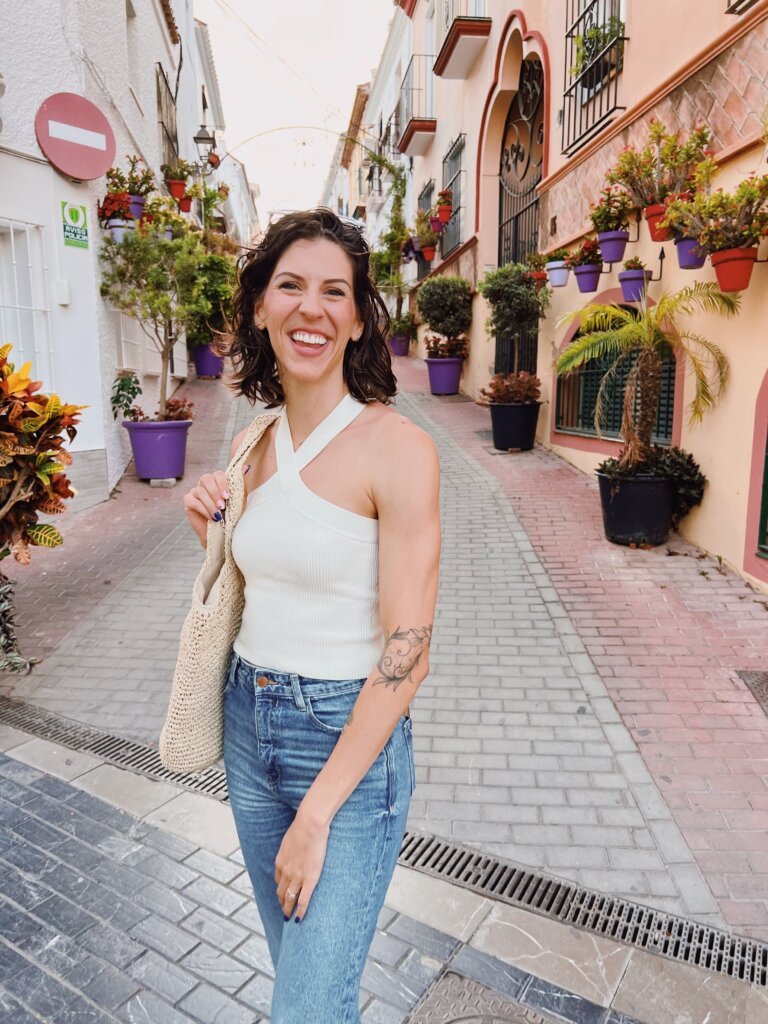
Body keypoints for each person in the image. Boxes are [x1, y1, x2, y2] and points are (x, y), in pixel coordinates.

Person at [181, 208, 441, 1023]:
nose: (312, 308)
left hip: (348, 744)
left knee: (305, 1009)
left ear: (358, 317)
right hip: (249, 721)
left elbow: (410, 649)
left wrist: (320, 812)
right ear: (260, 304)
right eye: (290, 285)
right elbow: (265, 578)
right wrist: (212, 532)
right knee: (307, 983)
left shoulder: (396, 447)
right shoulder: (252, 443)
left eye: (336, 292)